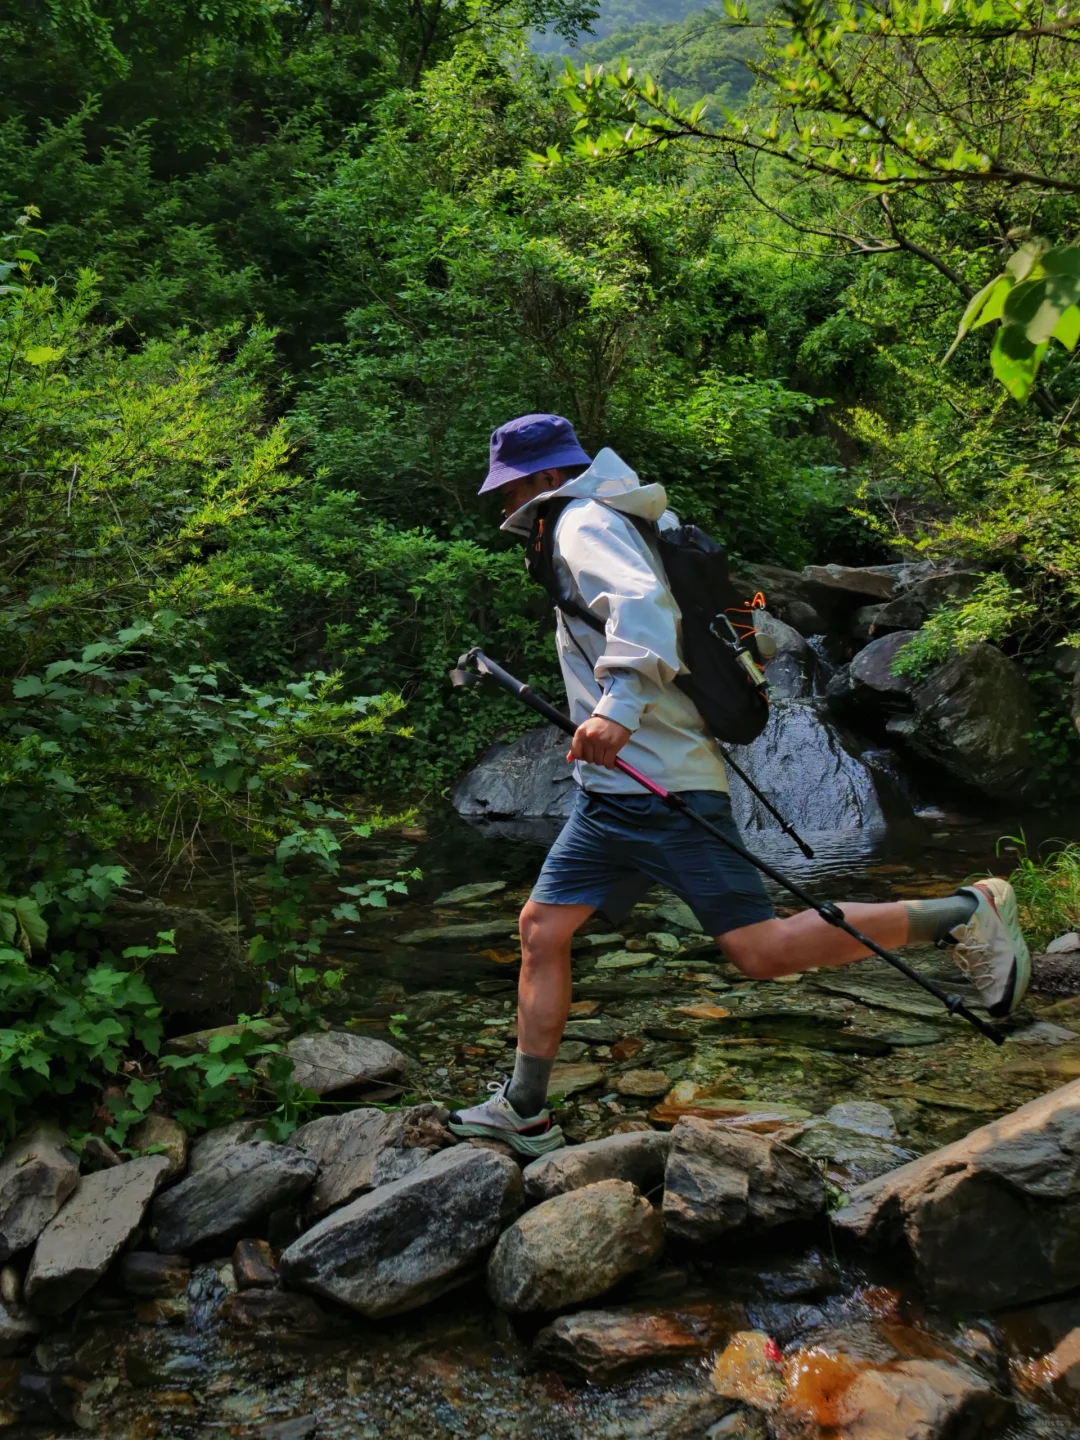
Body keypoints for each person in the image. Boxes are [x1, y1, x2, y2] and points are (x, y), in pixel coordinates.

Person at [448, 413, 1031, 1155]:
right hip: (612, 795)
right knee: (541, 929)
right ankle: (525, 1106)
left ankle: (964, 909)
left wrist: (617, 710)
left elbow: (642, 611)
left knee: (760, 951)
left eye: (506, 492)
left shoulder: (582, 522)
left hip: (661, 785)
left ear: (539, 481)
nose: (503, 508)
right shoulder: (613, 512)